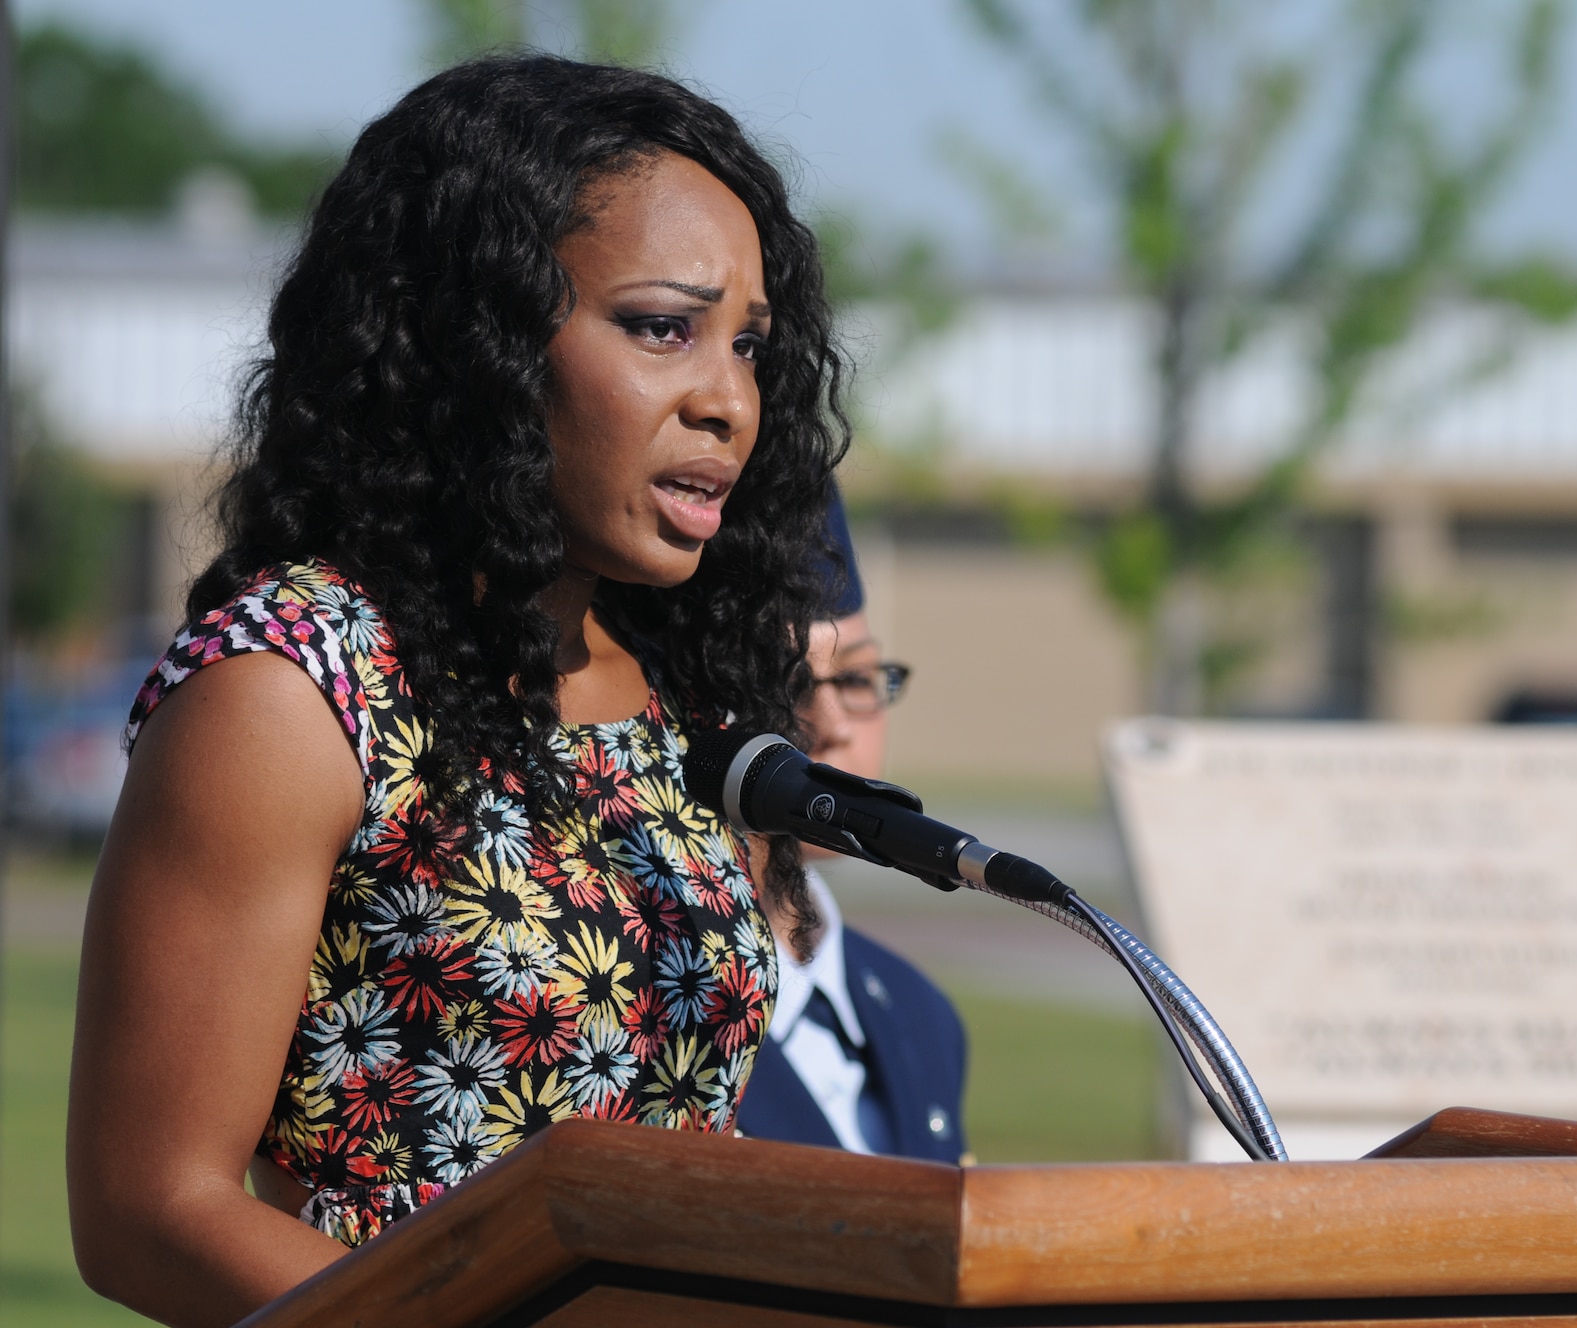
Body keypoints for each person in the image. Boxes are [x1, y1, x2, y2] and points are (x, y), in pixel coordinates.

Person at [65, 56, 845, 1326]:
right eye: (663, 326)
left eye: (750, 342)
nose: (728, 399)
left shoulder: (686, 695)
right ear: (475, 342)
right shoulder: (296, 687)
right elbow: (150, 1211)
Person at [734, 494, 969, 1163]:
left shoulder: (918, 1010)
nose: (834, 724)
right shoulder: (662, 1001)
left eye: (859, 678)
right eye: (790, 681)